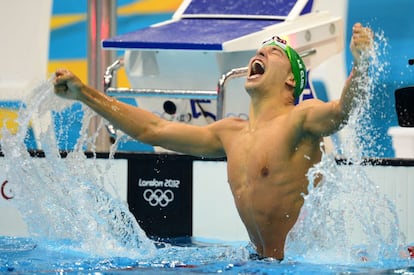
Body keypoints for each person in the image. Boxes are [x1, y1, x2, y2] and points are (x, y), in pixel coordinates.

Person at [54, 23, 373, 260]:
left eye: (274, 52)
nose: (260, 53)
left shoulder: (300, 119)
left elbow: (342, 112)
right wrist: (85, 93)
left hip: (301, 266)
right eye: (259, 50)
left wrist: (360, 66)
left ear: (292, 80)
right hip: (258, 263)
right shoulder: (231, 133)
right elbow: (152, 130)